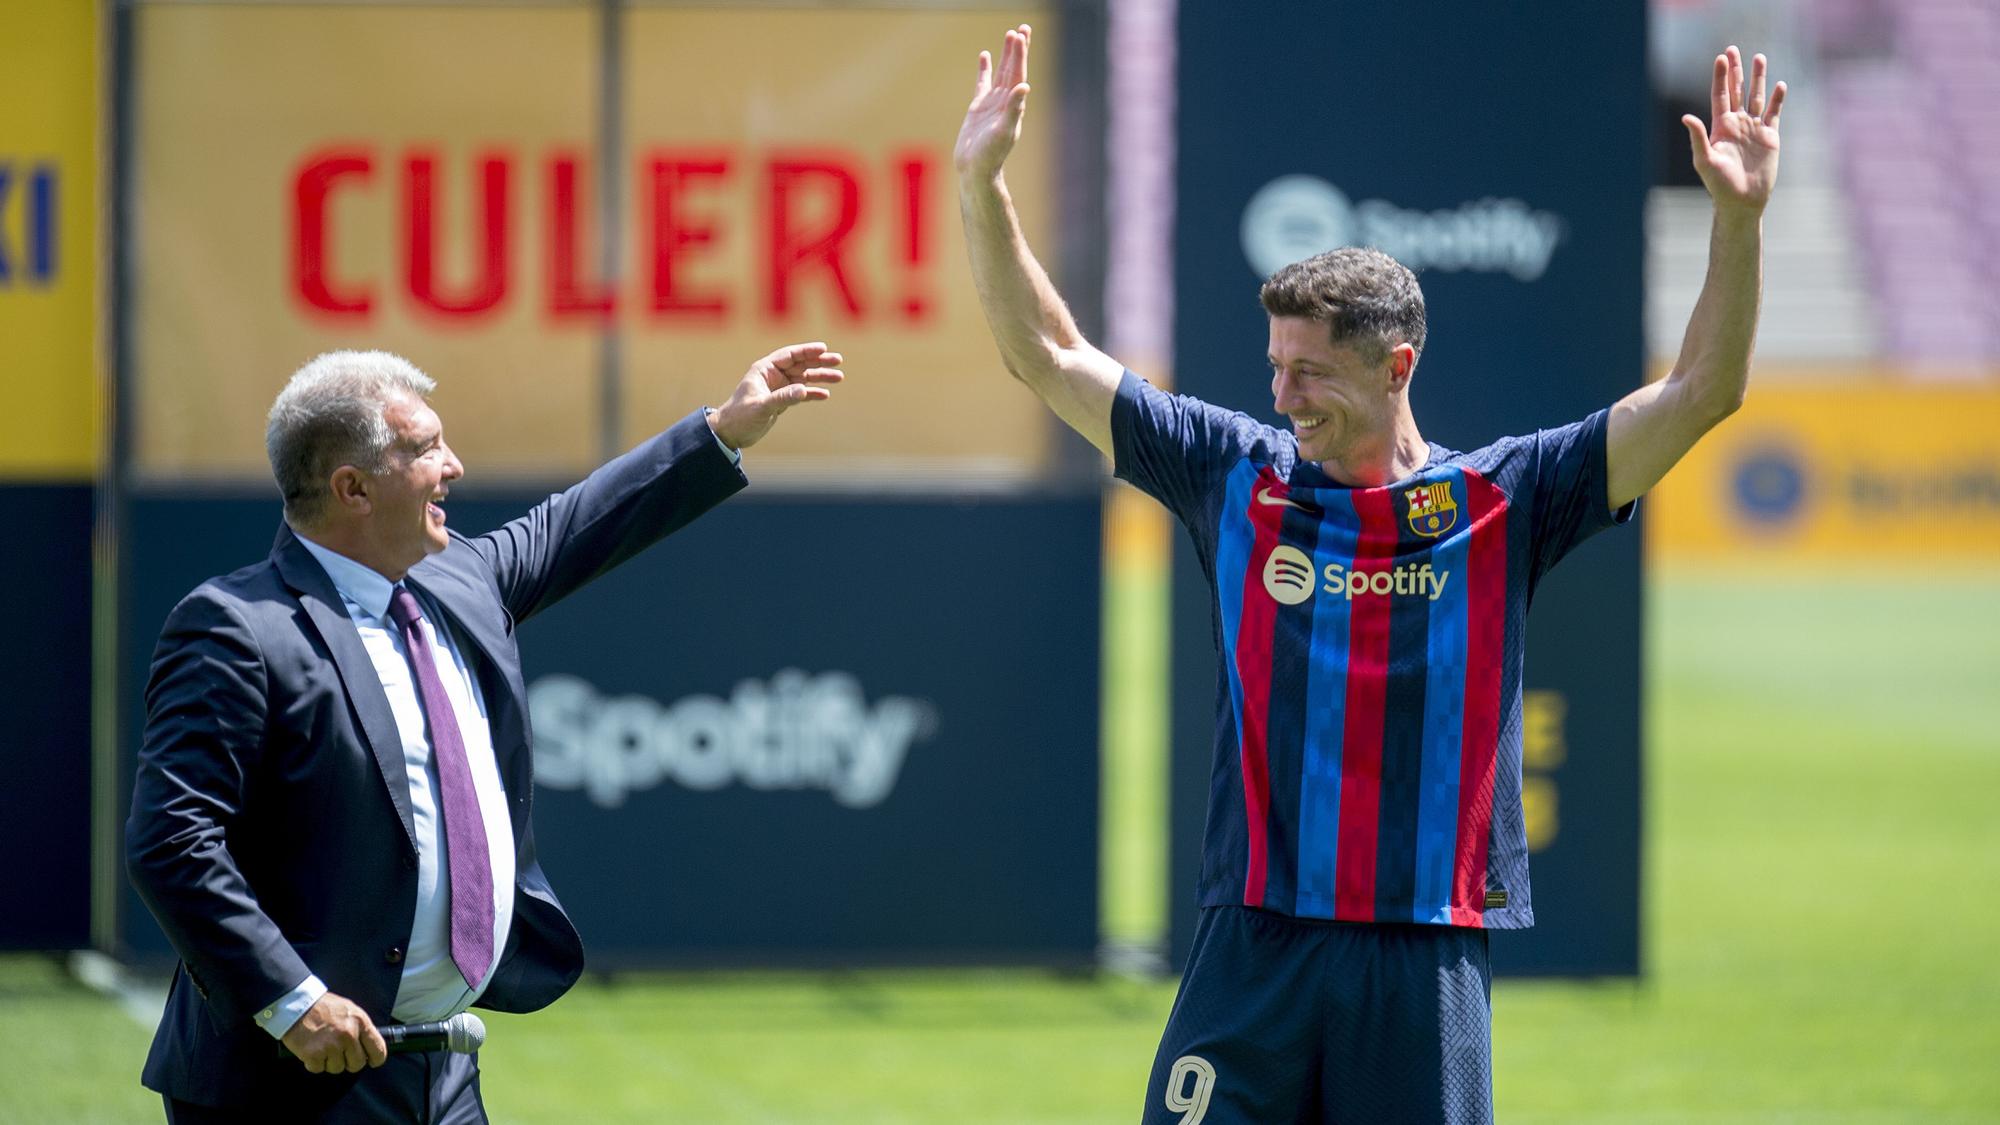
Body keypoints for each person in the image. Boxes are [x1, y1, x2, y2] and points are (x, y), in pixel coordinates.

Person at [955, 25, 1783, 1124]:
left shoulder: (1507, 498)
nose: (1284, 395)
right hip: (1252, 942)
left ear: (1396, 365)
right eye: (1274, 369)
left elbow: (1699, 395)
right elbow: (1046, 354)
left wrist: (1734, 222)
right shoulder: (1228, 472)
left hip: (1420, 957)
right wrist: (980, 184)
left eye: (1310, 373)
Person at [125, 341, 844, 1121]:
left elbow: (579, 523)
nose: (453, 464)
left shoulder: (456, 577)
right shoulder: (236, 629)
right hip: (283, 1082)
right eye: (426, 447)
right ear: (353, 487)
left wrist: (720, 430)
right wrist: (293, 1001)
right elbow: (171, 841)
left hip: (444, 1073)